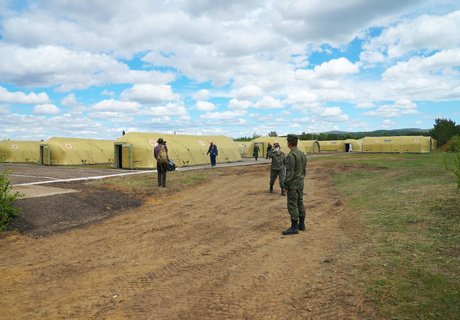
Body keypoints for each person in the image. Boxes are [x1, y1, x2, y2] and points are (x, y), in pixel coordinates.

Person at [282, 134, 307, 235]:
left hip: (293, 185)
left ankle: (294, 227)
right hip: (300, 183)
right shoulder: (302, 154)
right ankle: (302, 224)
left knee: (292, 204)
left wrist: (285, 185)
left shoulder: (292, 155)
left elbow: (290, 173)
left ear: (289, 143)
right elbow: (304, 170)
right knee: (300, 203)